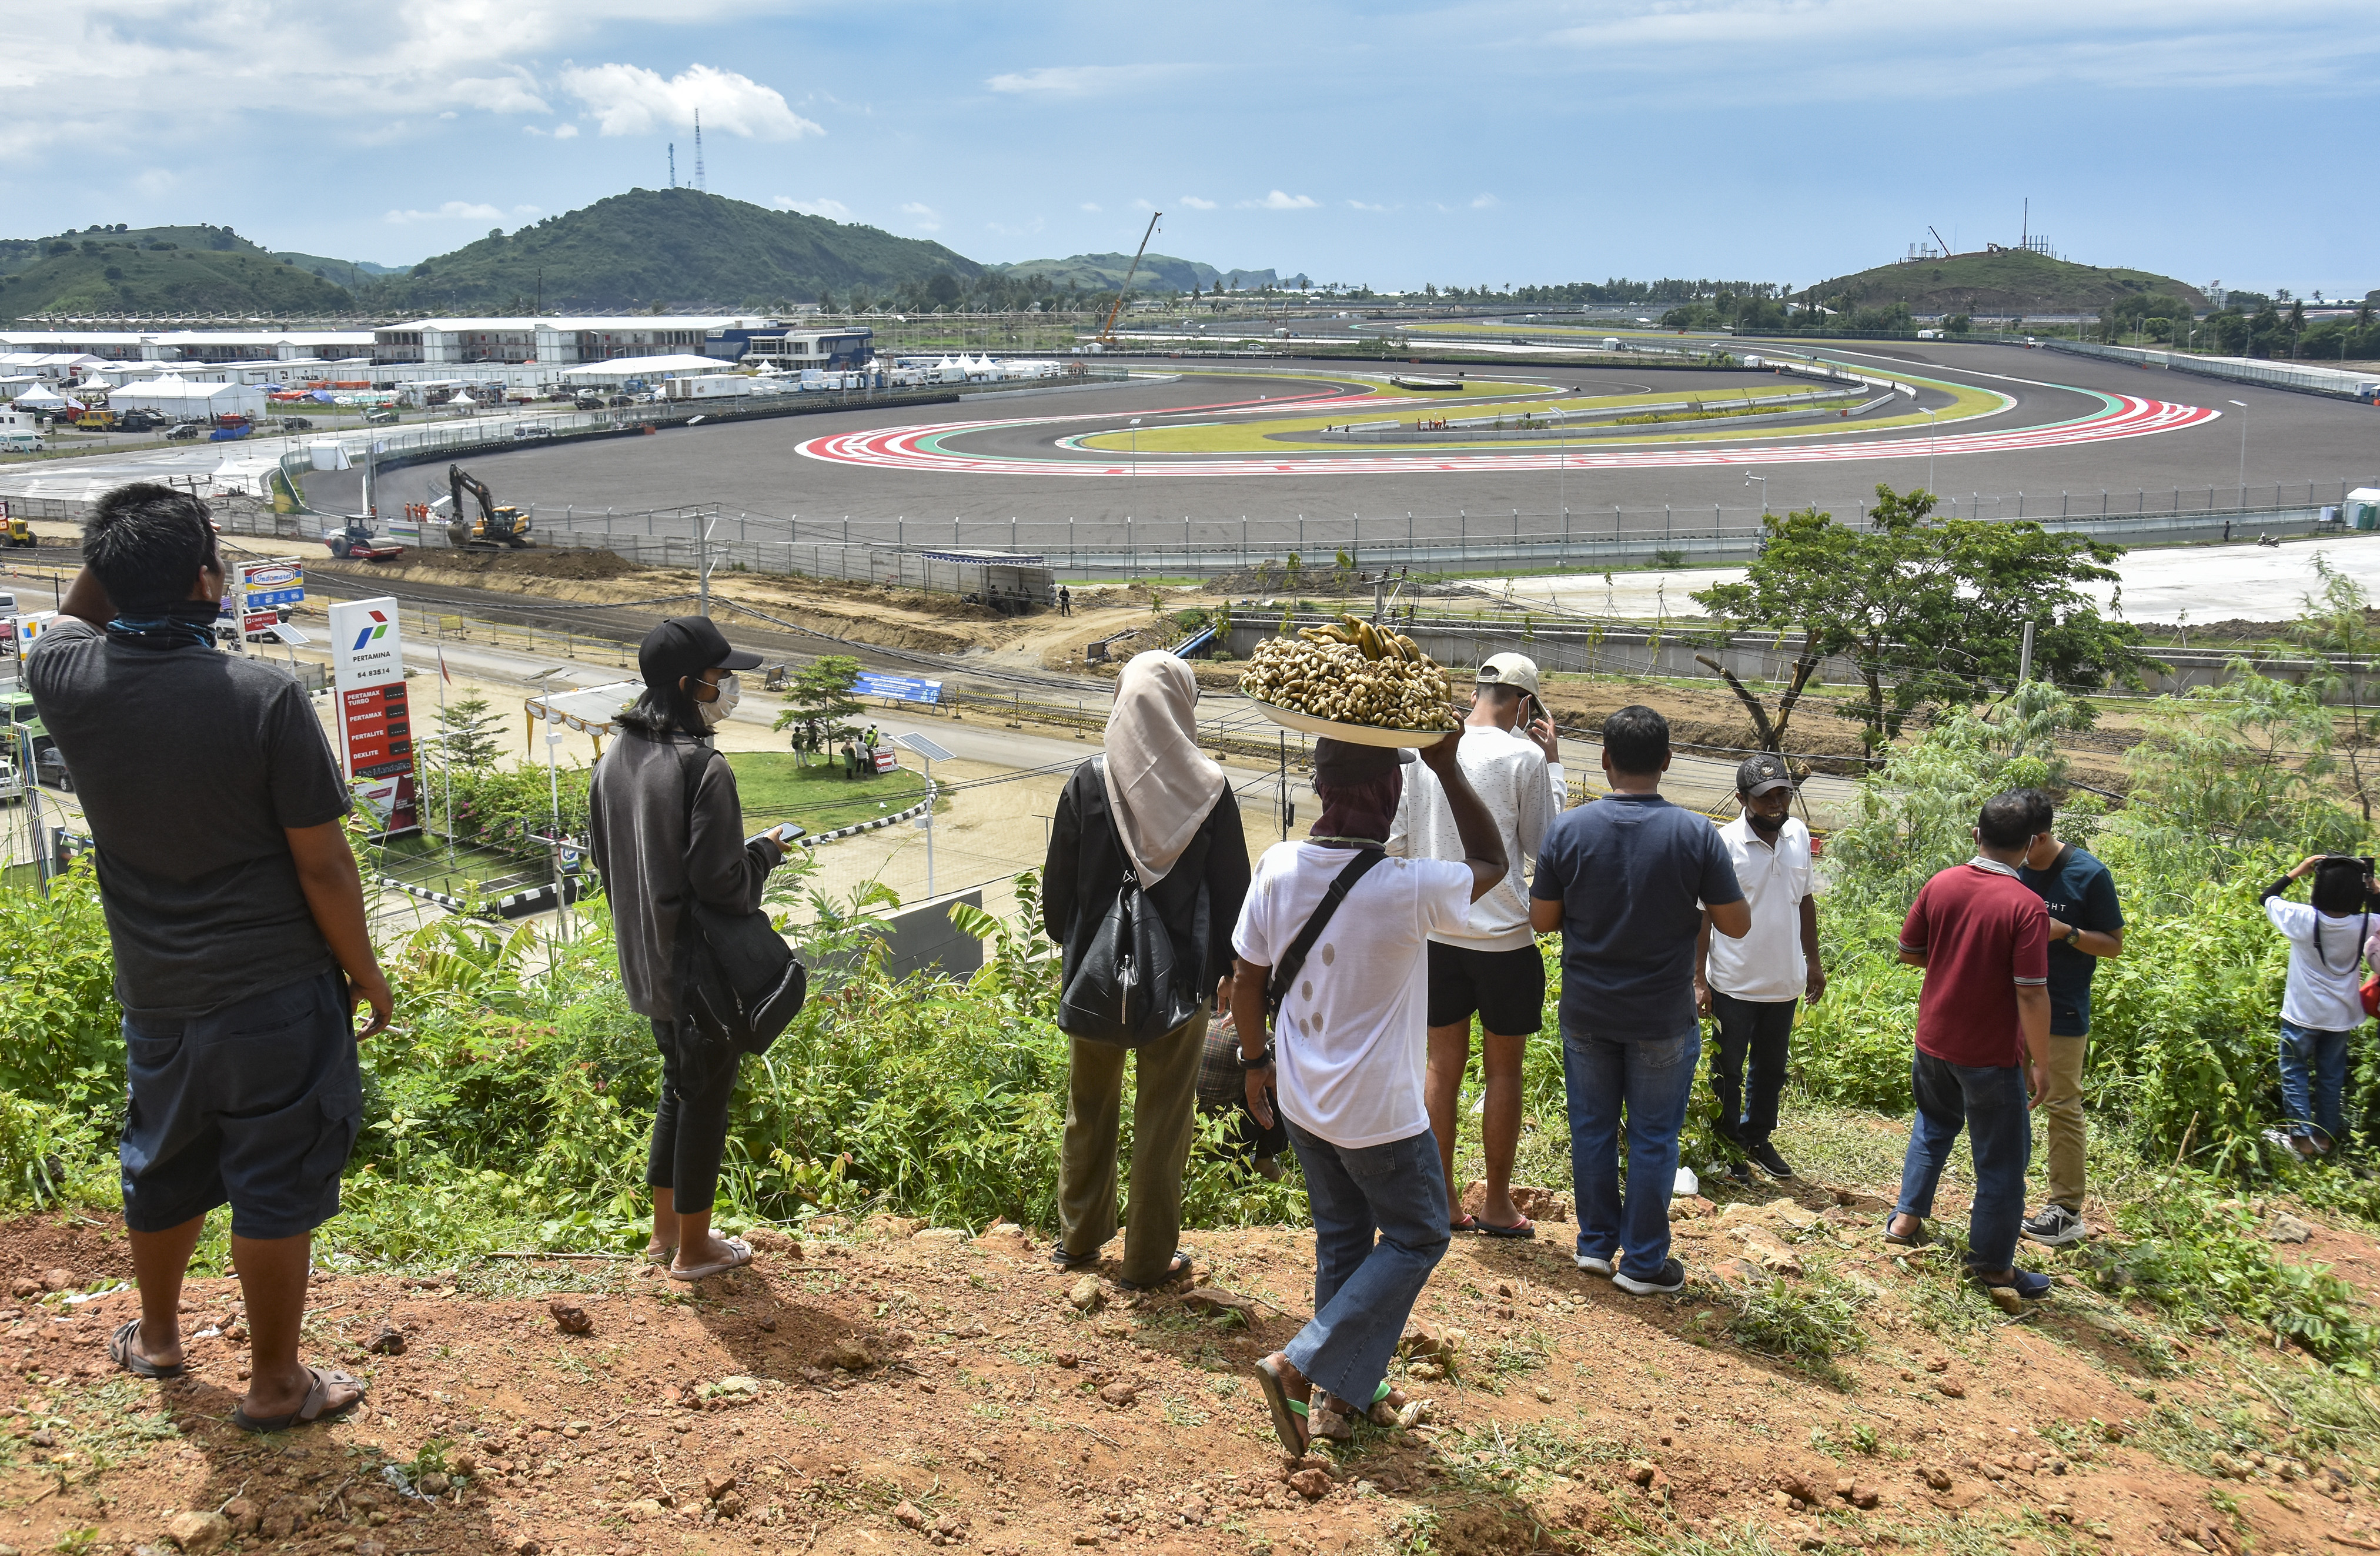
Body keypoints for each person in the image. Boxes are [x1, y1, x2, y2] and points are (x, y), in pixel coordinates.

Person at [27, 481, 392, 1431]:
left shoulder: (62, 675)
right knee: (272, 1176)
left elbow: (78, 611)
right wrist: (365, 971)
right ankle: (276, 1382)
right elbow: (324, 865)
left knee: (164, 1160)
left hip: (157, 990)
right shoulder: (261, 696)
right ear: (206, 580)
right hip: (274, 989)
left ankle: (157, 1339)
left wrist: (130, 549)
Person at [1236, 734, 1507, 1450]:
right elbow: (1493, 864)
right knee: (1420, 1233)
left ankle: (1340, 1397)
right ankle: (1299, 1364)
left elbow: (1246, 978)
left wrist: (1254, 1062)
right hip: (1378, 1114)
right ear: (1391, 796)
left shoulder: (1278, 865)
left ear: (1323, 790)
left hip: (1300, 1098)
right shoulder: (1408, 885)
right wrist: (1446, 766)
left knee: (1345, 1236)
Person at [588, 616, 795, 1282]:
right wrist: (764, 853)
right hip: (697, 968)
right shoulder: (704, 767)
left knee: (680, 1088)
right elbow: (722, 885)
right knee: (705, 1099)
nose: (729, 685)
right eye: (721, 675)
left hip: (645, 961)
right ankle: (695, 1250)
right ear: (690, 686)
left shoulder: (610, 760)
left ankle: (663, 1234)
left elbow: (606, 862)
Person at [1042, 653, 1252, 1289]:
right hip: (1181, 985)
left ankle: (1078, 1241)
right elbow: (1233, 894)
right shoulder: (1210, 789)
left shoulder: (1087, 782)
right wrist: (1223, 972)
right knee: (1165, 1118)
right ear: (1181, 704)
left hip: (1096, 978)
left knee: (1089, 1105)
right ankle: (1148, 1258)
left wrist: (1078, 952)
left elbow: (1057, 895)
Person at [1531, 705, 1747, 1294]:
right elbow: (1735, 925)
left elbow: (1543, 920)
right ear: (1667, 762)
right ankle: (1645, 1264)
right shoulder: (1696, 834)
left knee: (1592, 1129)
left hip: (1587, 1012)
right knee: (1655, 1137)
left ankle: (1596, 1247)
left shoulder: (1569, 831)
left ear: (1604, 761)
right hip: (1661, 1017)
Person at [1389, 652, 1563, 1236]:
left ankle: (1441, 1201)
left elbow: (1399, 841)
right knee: (1503, 1074)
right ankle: (1496, 1204)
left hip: (1435, 935)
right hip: (1504, 940)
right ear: (1524, 706)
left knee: (1440, 1066)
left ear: (1474, 696)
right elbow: (1545, 847)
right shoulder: (1524, 757)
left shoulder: (1424, 751)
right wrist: (1553, 765)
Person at [1886, 791, 2054, 1301]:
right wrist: (2040, 1062)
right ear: (2028, 846)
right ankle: (1993, 1267)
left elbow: (1910, 951)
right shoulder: (2027, 906)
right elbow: (2031, 991)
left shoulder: (1942, 883)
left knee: (1932, 1125)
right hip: (1990, 1054)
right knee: (2001, 1162)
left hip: (1934, 1040)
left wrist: (1956, 966)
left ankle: (1905, 1222)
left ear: (1976, 835)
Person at [1693, 753, 1823, 1186]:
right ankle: (1726, 1144)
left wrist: (1814, 962)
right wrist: (1698, 979)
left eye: (1783, 794)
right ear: (1742, 799)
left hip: (1784, 981)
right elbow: (1704, 915)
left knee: (1771, 1068)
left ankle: (1757, 1138)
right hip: (1733, 981)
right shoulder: (1723, 843)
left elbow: (1805, 900)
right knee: (1728, 1069)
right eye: (1766, 797)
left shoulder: (1799, 835)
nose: (1776, 804)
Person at [2014, 790, 2124, 1246]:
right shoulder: (2010, 865)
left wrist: (2070, 934)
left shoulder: (2089, 874)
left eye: (2019, 842)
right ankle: (2005, 1190)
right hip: (2012, 1004)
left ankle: (2066, 1209)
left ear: (2039, 837)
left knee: (2061, 1104)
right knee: (2007, 1096)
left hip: (2062, 1005)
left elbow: (2113, 944)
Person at [2259, 854, 2376, 1158]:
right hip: (2341, 1017)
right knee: (2331, 1076)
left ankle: (2300, 1142)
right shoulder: (2366, 925)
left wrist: (2298, 870)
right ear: (2357, 893)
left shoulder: (2301, 919)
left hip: (2302, 1014)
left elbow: (2267, 897)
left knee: (2294, 1071)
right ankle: (2324, 1140)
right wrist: (2374, 890)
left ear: (2318, 890)